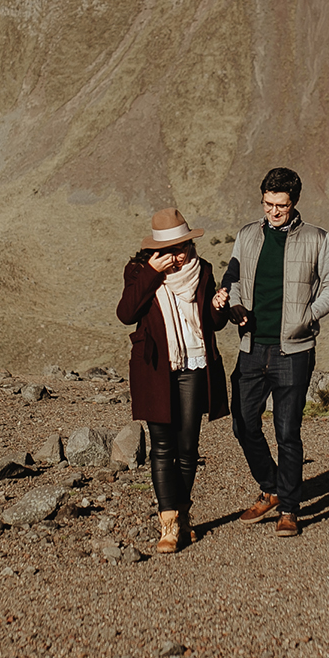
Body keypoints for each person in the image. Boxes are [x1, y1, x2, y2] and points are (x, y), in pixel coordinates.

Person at [224, 167, 329, 537]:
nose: (273, 211)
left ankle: (290, 508)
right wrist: (233, 303)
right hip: (251, 344)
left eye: (281, 205)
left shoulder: (316, 238)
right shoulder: (247, 235)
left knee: (287, 431)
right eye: (268, 204)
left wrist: (308, 315)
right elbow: (232, 277)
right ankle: (272, 486)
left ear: (294, 203)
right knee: (243, 423)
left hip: (293, 349)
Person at [116, 207, 231, 554]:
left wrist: (218, 306)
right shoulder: (139, 271)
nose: (180, 255)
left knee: (188, 448)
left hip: (195, 364)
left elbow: (211, 323)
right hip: (156, 367)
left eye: (184, 247)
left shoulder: (204, 270)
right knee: (162, 447)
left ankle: (183, 515)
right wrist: (152, 272)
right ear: (157, 251)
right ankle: (169, 525)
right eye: (171, 250)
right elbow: (127, 313)